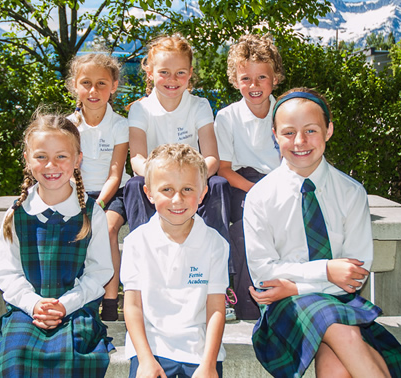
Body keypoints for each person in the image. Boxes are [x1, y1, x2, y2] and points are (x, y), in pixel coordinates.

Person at [243, 88, 401, 377]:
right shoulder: (260, 196)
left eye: (311, 130)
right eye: (288, 132)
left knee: (335, 368)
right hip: (286, 307)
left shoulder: (351, 192)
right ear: (274, 135)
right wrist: (327, 271)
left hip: (338, 301)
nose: (300, 141)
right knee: (345, 335)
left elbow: (355, 275)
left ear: (329, 130)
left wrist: (297, 284)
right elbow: (264, 275)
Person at [0, 113, 114, 377]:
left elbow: (99, 272)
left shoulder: (91, 214)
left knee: (72, 360)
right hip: (28, 310)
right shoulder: (16, 214)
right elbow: (7, 273)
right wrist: (35, 304)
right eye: (41, 156)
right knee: (14, 357)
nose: (51, 165)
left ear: (78, 159)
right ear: (27, 159)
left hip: (76, 307)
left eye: (61, 156)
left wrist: (64, 305)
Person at [121, 143, 229, 378]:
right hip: (151, 347)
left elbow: (215, 309)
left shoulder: (215, 244)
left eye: (188, 189)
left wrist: (209, 365)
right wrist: (146, 361)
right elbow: (132, 306)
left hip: (200, 350)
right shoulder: (136, 242)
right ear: (149, 193)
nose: (177, 199)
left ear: (202, 193)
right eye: (167, 189)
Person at [124, 34, 230, 243]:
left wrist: (190, 180)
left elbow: (211, 159)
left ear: (190, 73)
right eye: (164, 72)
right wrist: (164, 181)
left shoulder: (199, 106)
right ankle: (143, 252)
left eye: (180, 73)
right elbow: (137, 159)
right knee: (135, 185)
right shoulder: (140, 109)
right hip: (156, 183)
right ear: (150, 72)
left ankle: (218, 261)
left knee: (218, 184)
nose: (172, 79)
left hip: (192, 182)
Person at [214, 34, 284, 320]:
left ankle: (279, 298)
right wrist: (254, 191)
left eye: (261, 78)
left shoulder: (285, 112)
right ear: (235, 80)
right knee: (244, 229)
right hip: (241, 184)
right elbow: (224, 169)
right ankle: (243, 303)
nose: (253, 86)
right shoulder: (227, 117)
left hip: (279, 183)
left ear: (275, 78)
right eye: (246, 78)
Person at [65, 53, 130, 321]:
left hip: (112, 193)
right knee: (73, 229)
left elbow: (115, 173)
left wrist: (99, 205)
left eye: (102, 83)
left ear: (113, 86)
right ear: (74, 86)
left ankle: (111, 301)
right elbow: (69, 169)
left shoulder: (120, 124)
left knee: (109, 229)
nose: (94, 91)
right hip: (76, 190)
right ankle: (75, 297)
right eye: (86, 83)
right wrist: (81, 201)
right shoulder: (68, 125)